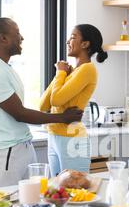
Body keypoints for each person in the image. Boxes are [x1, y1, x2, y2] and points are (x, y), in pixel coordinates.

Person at [0, 18, 83, 188]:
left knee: (33, 201)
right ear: (3, 38)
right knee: (9, 203)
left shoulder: (3, 67)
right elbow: (20, 113)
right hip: (5, 151)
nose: (22, 38)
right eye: (17, 33)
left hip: (20, 146)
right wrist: (63, 117)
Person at [39, 24, 108, 177]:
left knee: (76, 192)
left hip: (72, 141)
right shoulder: (73, 72)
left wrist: (60, 72)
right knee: (58, 192)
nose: (68, 41)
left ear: (85, 44)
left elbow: (56, 100)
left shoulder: (88, 69)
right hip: (54, 136)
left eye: (73, 37)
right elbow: (43, 105)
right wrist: (61, 74)